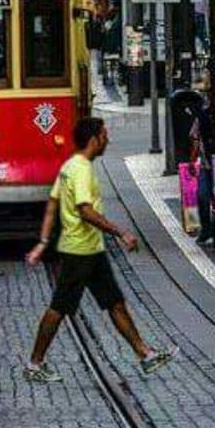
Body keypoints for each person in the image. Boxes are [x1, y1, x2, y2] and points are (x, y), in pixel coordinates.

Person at [24, 117, 173, 382]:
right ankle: (35, 363)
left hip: (91, 250)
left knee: (114, 302)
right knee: (59, 307)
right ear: (94, 139)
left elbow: (51, 205)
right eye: (105, 135)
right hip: (79, 251)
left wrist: (43, 243)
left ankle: (145, 354)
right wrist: (120, 232)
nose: (108, 140)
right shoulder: (80, 170)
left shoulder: (69, 166)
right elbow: (85, 211)